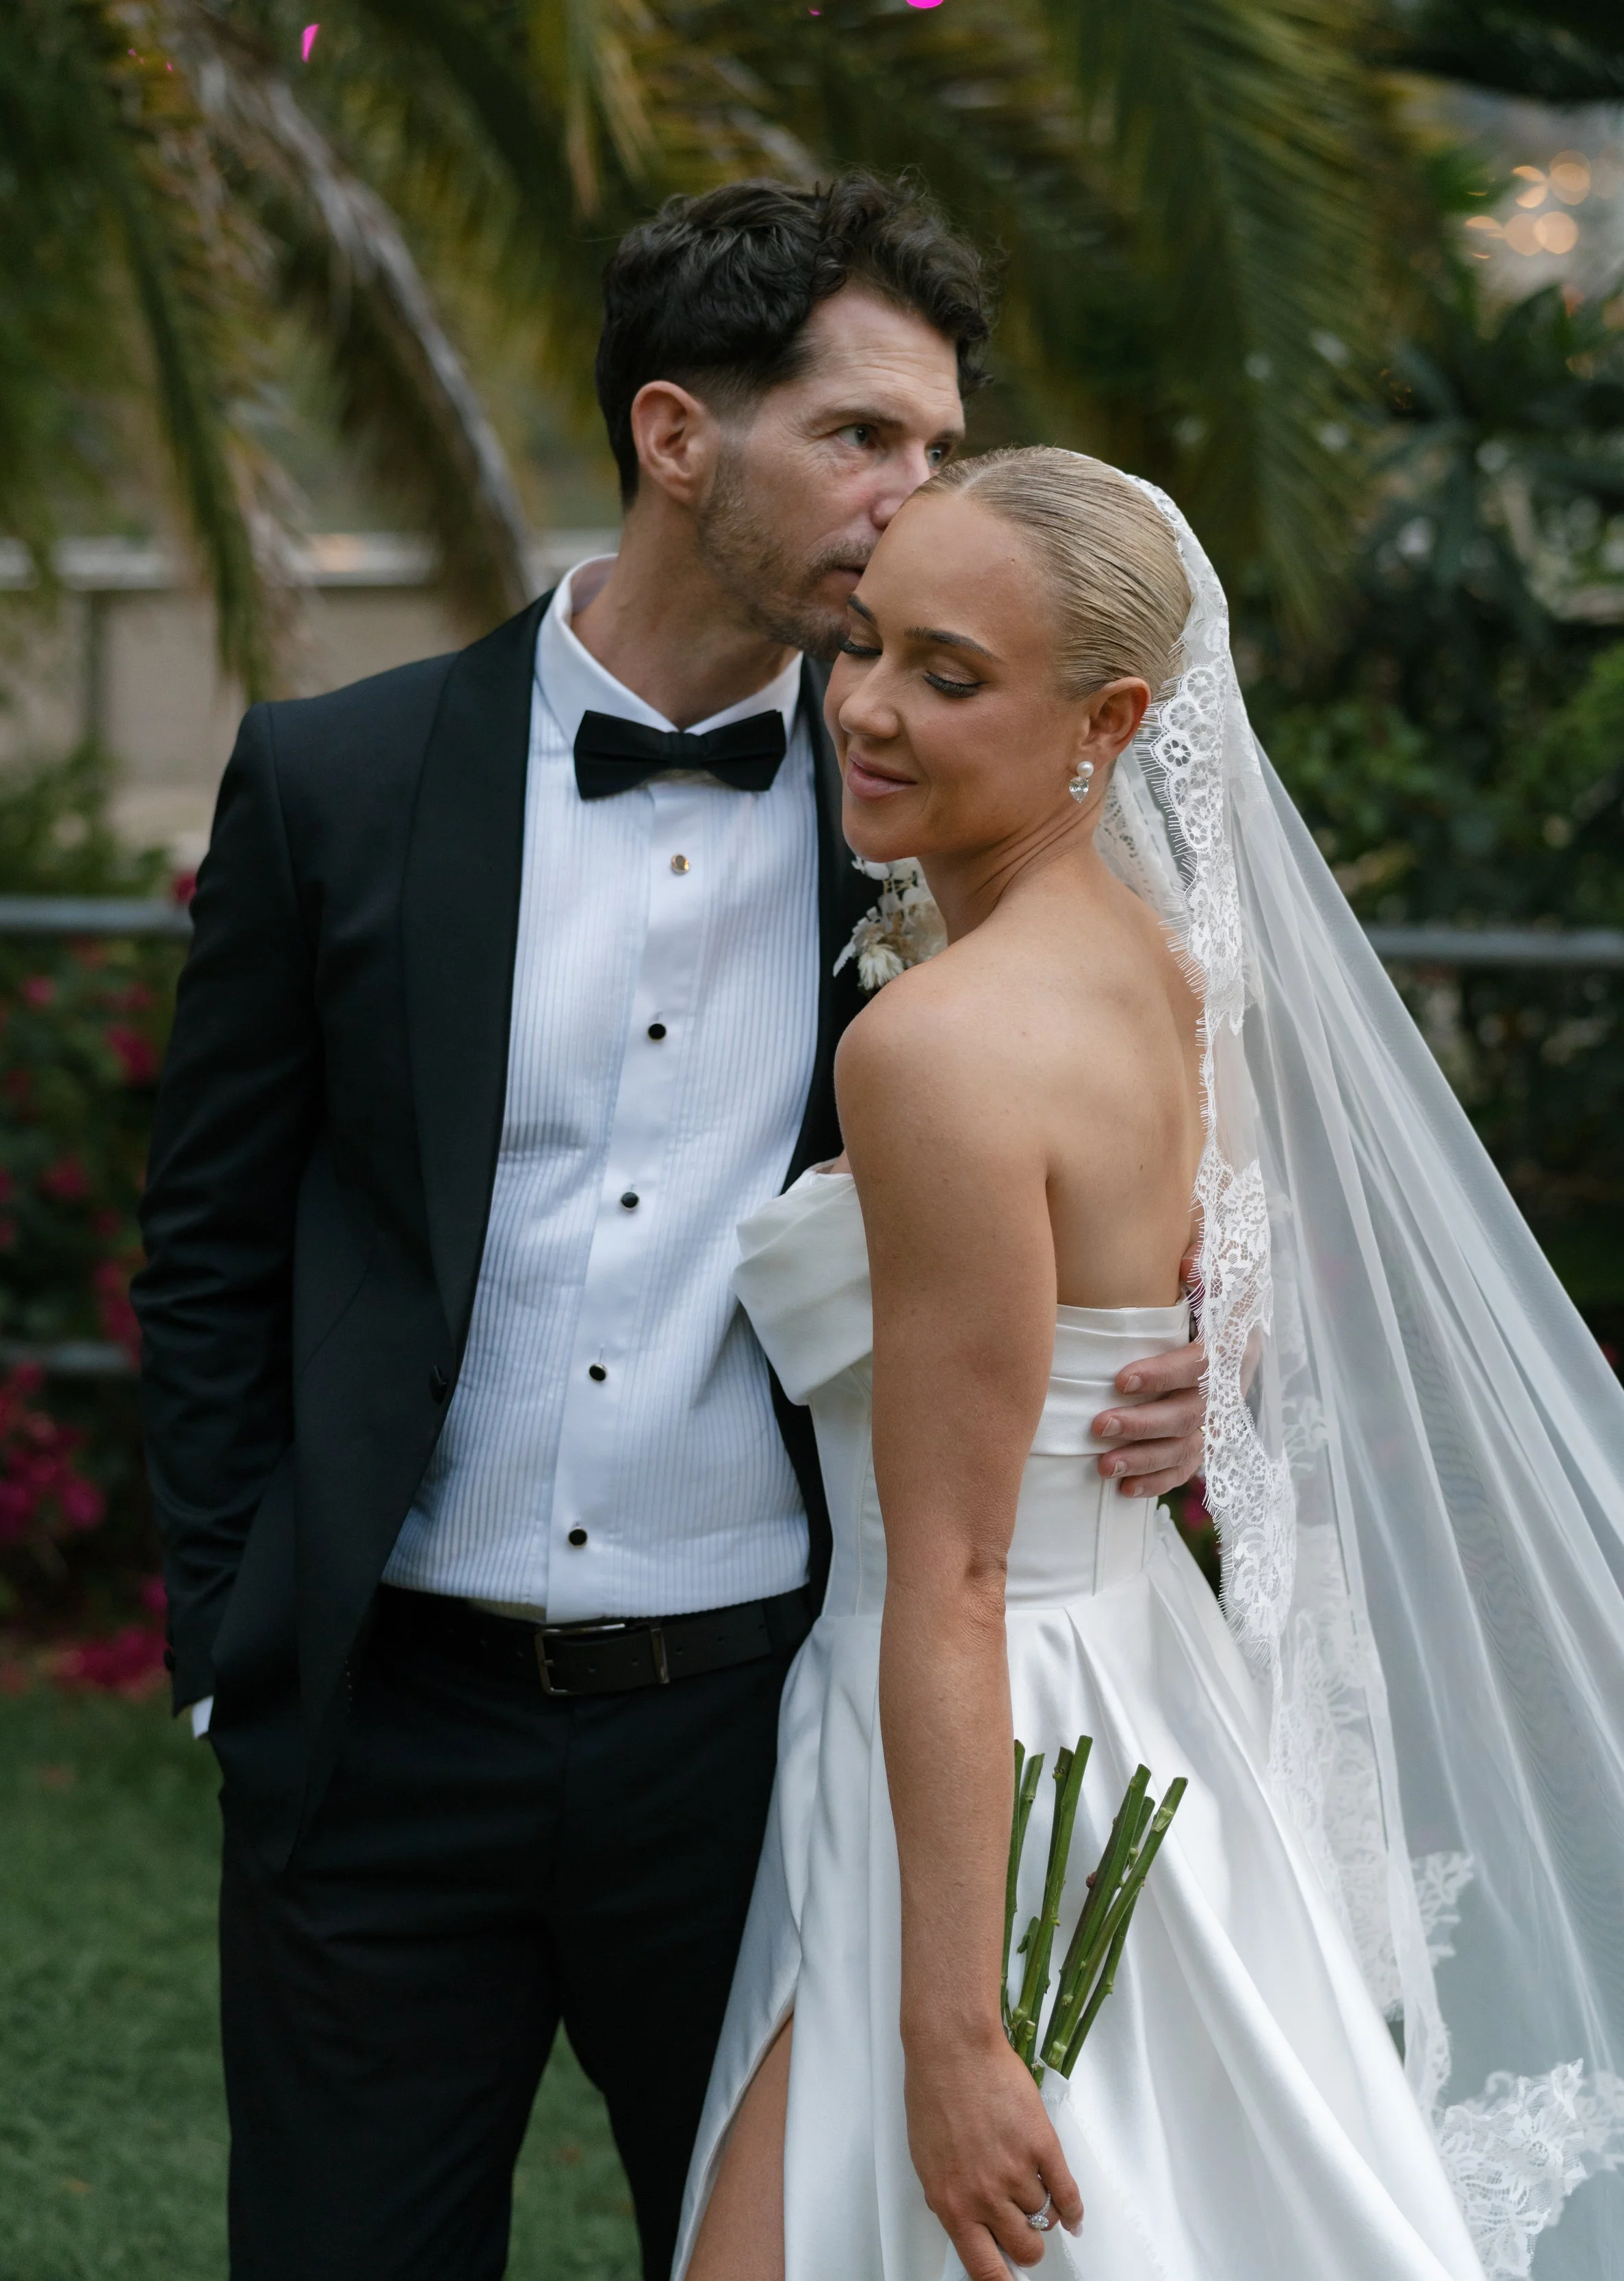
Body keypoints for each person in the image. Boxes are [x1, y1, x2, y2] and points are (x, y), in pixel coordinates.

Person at [132, 181, 1208, 2281]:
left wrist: (1197, 1357)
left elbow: (1158, 1106)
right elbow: (209, 1241)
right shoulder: (337, 778)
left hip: (757, 1729)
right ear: (676, 434)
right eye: (862, 434)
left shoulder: (938, 803)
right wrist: (225, 1644)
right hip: (384, 1723)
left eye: (940, 444)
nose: (915, 494)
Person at [675, 448, 1624, 2281]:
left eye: (948, 675)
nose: (865, 707)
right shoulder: (1170, 969)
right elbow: (1224, 1277)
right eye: (865, 643)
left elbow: (955, 1573)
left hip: (991, 1737)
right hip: (1137, 1691)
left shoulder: (939, 1045)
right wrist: (1198, 1365)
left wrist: (955, 2030)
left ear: (1109, 722)